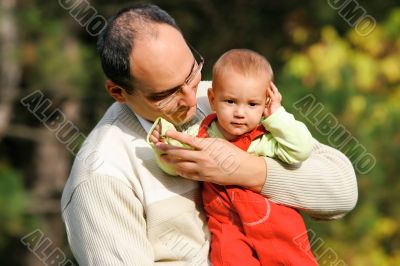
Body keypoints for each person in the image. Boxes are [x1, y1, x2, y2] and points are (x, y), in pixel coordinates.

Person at [61, 4, 358, 265]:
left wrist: (245, 170)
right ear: (118, 92)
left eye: (192, 73)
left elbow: (342, 192)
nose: (192, 99)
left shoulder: (222, 100)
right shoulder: (101, 177)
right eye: (166, 94)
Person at [147, 49, 317, 265]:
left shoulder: (264, 138)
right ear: (212, 98)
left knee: (290, 258)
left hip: (273, 222)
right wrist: (162, 143)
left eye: (252, 104)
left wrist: (278, 114)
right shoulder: (200, 135)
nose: (240, 112)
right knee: (228, 258)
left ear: (265, 105)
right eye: (230, 101)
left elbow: (301, 149)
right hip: (227, 225)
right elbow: (176, 165)